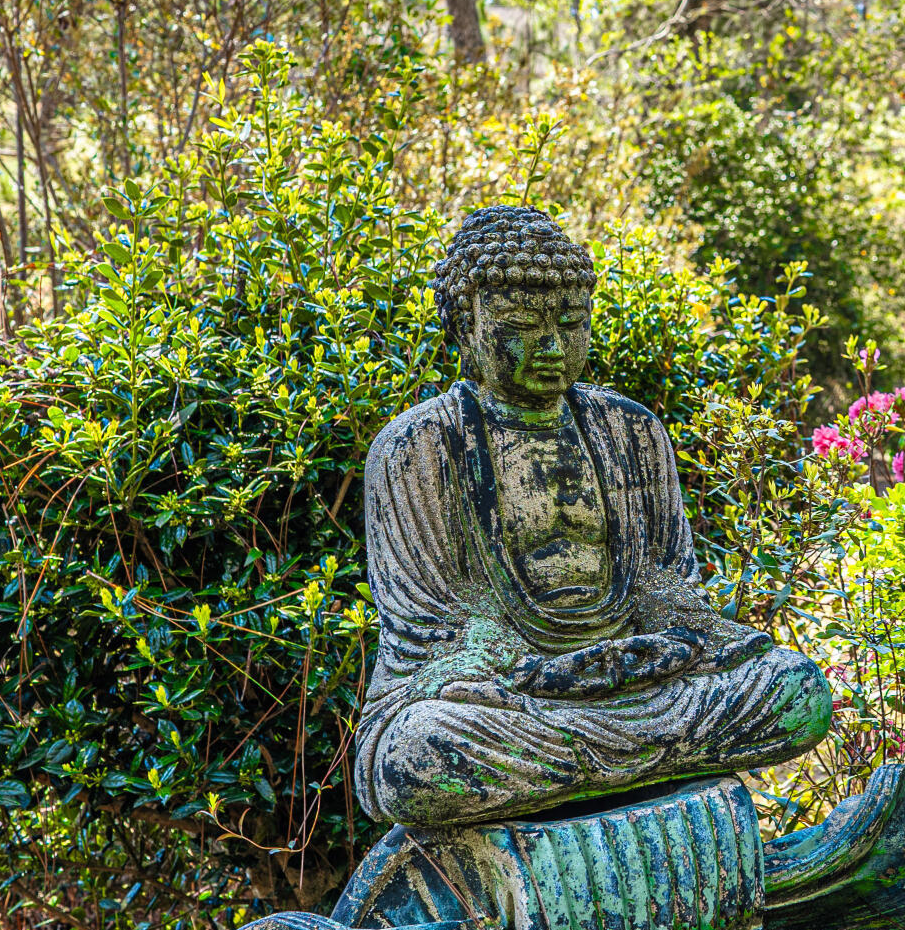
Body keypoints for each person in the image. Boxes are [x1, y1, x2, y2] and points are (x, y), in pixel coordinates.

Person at [350, 205, 833, 828]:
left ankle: (605, 758)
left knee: (794, 691)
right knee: (418, 756)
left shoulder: (631, 430)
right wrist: (541, 672)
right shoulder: (416, 448)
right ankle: (628, 757)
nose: (553, 348)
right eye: (522, 327)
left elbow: (669, 585)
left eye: (572, 323)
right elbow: (431, 625)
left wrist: (663, 646)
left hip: (634, 678)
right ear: (467, 328)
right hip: (506, 696)